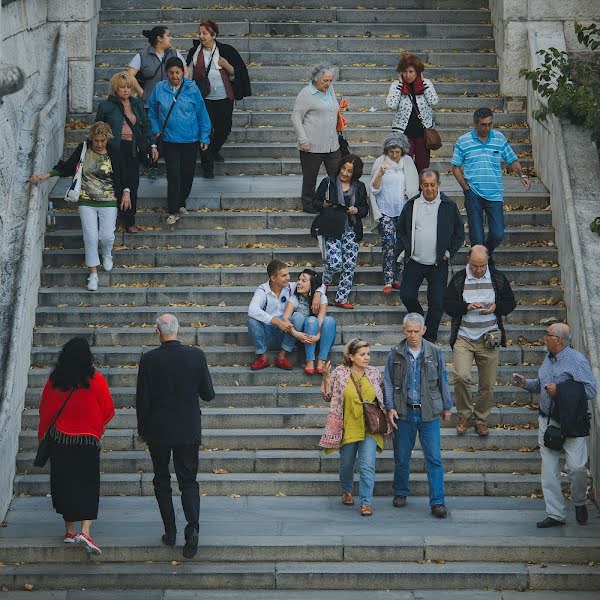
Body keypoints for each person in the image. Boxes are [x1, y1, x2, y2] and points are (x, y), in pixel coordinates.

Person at [135, 314, 215, 558]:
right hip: (188, 428)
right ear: (178, 330)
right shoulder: (196, 356)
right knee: (188, 480)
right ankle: (192, 528)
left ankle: (170, 531)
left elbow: (142, 400)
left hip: (158, 430)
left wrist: (142, 429)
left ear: (157, 332)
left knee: (161, 480)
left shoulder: (148, 360)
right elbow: (208, 394)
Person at [513, 323, 596, 528]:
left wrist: (560, 391)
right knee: (549, 470)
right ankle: (555, 514)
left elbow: (590, 390)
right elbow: (542, 386)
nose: (544, 338)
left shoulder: (576, 360)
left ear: (559, 340)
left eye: (547, 335)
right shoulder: (548, 359)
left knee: (577, 468)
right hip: (547, 420)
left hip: (572, 423)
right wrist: (526, 383)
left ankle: (579, 502)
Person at [30, 122, 130, 291]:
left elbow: (125, 173)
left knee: (106, 236)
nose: (99, 144)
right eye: (96, 140)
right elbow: (67, 166)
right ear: (91, 138)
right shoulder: (84, 148)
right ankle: (93, 275)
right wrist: (45, 175)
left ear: (107, 139)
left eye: (102, 140)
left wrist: (126, 192)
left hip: (109, 200)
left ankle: (106, 254)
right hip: (86, 201)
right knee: (90, 237)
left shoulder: (114, 151)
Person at [37, 337, 115, 554]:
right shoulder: (96, 379)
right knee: (88, 485)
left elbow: (45, 410)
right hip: (87, 441)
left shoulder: (55, 380)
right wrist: (98, 431)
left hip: (61, 442)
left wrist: (41, 435)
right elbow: (107, 409)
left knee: (64, 484)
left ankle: (69, 531)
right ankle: (86, 532)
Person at [383, 313, 452, 517]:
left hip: (429, 412)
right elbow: (387, 380)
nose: (412, 335)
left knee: (434, 458)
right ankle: (400, 492)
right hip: (403, 412)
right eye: (408, 331)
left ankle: (437, 501)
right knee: (402, 457)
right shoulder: (395, 353)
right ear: (404, 330)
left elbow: (443, 380)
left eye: (416, 331)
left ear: (423, 330)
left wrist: (447, 406)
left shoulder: (435, 352)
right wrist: (389, 406)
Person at [444, 245, 516, 436]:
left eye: (482, 266)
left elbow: (511, 303)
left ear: (487, 262)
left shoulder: (497, 278)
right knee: (461, 377)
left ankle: (481, 419)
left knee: (487, 384)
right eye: (474, 266)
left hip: (489, 337)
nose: (478, 270)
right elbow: (448, 305)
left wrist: (496, 307)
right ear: (468, 260)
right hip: (464, 337)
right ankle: (464, 415)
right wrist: (466, 306)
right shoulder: (459, 278)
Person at [319, 338, 390, 516]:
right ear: (351, 356)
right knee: (346, 464)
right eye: (362, 354)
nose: (367, 358)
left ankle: (366, 502)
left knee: (367, 465)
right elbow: (327, 397)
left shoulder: (374, 373)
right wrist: (326, 377)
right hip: (348, 426)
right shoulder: (340, 373)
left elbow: (382, 399)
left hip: (369, 427)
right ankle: (347, 490)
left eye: (368, 354)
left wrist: (388, 418)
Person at [451, 107, 532, 258]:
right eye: (483, 125)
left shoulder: (499, 138)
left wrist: (522, 175)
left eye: (490, 124)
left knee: (497, 233)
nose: (487, 128)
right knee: (477, 237)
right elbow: (455, 167)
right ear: (476, 123)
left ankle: (484, 257)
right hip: (473, 193)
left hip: (494, 194)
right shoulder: (464, 141)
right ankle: (481, 263)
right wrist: (466, 189)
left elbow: (512, 160)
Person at [396, 168, 464, 342]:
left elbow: (459, 233)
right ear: (420, 186)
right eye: (425, 185)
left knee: (437, 303)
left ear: (438, 185)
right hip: (414, 261)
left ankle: (429, 337)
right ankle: (419, 319)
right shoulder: (412, 205)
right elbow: (401, 229)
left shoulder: (448, 205)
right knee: (407, 295)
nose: (429, 189)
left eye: (432, 185)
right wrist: (405, 249)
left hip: (437, 264)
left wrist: (448, 252)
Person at [148, 56, 211, 225]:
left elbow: (202, 113)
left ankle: (181, 202)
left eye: (178, 72)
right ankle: (173, 209)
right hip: (169, 139)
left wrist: (204, 136)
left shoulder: (192, 89)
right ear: (166, 73)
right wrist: (156, 129)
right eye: (171, 73)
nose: (175, 76)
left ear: (183, 72)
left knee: (187, 175)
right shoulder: (160, 88)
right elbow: (152, 111)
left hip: (190, 139)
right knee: (174, 174)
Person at [186, 19, 251, 178]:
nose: (201, 36)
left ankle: (212, 150)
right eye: (200, 33)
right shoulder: (194, 52)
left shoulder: (226, 50)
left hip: (224, 97)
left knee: (224, 129)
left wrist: (227, 66)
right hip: (204, 99)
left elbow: (238, 74)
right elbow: (187, 75)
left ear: (214, 35)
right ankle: (207, 166)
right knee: (205, 131)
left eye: (205, 33)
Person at [95, 72, 158, 233]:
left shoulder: (136, 104)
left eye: (128, 87)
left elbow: (146, 125)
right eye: (122, 87)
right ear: (115, 89)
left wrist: (152, 144)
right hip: (114, 149)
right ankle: (114, 220)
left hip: (133, 147)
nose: (126, 90)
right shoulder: (106, 106)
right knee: (116, 184)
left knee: (132, 184)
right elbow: (98, 129)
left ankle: (129, 221)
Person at [312, 154, 369, 310]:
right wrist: (323, 205)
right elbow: (314, 202)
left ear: (355, 173)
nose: (344, 173)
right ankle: (325, 281)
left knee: (349, 265)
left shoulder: (360, 186)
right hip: (331, 228)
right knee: (335, 262)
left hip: (351, 229)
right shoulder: (328, 182)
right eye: (343, 168)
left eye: (349, 171)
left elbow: (365, 209)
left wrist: (357, 210)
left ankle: (341, 298)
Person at [247, 259, 326, 370]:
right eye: (284, 275)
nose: (288, 278)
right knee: (252, 320)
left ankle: (282, 356)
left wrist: (317, 294)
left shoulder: (291, 287)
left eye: (288, 274)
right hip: (267, 334)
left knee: (297, 318)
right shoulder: (262, 290)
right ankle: (263, 357)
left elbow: (317, 282)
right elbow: (252, 310)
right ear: (273, 278)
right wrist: (277, 322)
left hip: (287, 334)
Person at [369, 133, 419, 295]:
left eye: (397, 152)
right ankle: (388, 279)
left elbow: (413, 184)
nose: (394, 155)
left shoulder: (408, 162)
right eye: (391, 152)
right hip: (386, 211)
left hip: (403, 210)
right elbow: (374, 189)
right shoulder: (380, 162)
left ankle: (399, 277)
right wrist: (381, 173)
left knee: (403, 244)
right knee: (389, 244)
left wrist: (409, 192)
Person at [291, 64, 341, 213]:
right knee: (310, 177)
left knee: (336, 175)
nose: (328, 84)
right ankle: (308, 204)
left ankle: (336, 202)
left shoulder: (330, 90)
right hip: (311, 145)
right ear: (315, 79)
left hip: (332, 144)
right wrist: (303, 140)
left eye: (330, 80)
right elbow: (295, 118)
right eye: (324, 81)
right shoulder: (306, 93)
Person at [386, 52, 439, 173]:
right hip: (404, 133)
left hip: (423, 133)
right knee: (404, 165)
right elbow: (391, 104)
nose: (408, 75)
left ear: (417, 72)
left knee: (423, 165)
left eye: (411, 72)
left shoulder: (426, 83)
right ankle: (406, 191)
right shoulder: (396, 86)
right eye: (405, 72)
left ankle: (422, 190)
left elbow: (434, 101)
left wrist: (425, 87)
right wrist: (399, 87)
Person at [278, 269, 337, 374]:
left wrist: (318, 336)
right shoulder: (295, 298)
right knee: (308, 320)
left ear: (312, 284)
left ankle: (321, 361)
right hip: (303, 339)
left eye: (303, 281)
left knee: (329, 321)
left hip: (322, 339)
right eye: (299, 280)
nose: (299, 283)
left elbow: (321, 319)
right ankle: (309, 361)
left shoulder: (321, 298)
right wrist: (296, 333)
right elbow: (285, 318)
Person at [127, 26, 189, 107]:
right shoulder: (142, 55)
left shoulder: (175, 54)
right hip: (149, 105)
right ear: (159, 38)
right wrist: (142, 94)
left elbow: (186, 72)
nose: (171, 38)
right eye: (168, 35)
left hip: (171, 104)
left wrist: (179, 89)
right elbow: (129, 75)